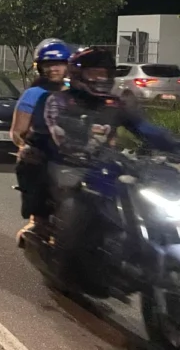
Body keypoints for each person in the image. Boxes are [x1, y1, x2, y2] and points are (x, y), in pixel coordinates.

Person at [17, 46, 180, 248]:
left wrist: (174, 146)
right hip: (63, 164)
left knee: (150, 187)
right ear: (78, 74)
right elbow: (48, 133)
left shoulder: (115, 105)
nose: (100, 79)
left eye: (105, 74)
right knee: (31, 158)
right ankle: (39, 220)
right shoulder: (56, 100)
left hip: (104, 166)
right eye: (94, 73)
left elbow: (147, 130)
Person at [11, 38, 71, 241]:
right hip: (45, 154)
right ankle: (37, 220)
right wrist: (28, 145)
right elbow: (18, 132)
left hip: (74, 154)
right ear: (40, 67)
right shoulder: (33, 94)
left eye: (59, 64)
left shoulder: (77, 94)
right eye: (48, 65)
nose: (54, 69)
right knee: (29, 163)